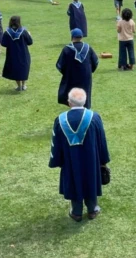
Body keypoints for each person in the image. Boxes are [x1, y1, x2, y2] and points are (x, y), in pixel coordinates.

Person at [49, 88, 110, 222]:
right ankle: (92, 209)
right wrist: (103, 159)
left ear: (69, 102)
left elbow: (56, 143)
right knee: (90, 178)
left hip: (70, 159)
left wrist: (57, 160)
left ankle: (76, 211)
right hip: (91, 159)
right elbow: (102, 140)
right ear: (85, 101)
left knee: (73, 179)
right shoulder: (94, 117)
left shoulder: (60, 120)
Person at [56, 28, 99, 109]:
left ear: (72, 37)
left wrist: (66, 73)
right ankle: (85, 108)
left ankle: (73, 107)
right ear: (82, 37)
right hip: (85, 76)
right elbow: (95, 62)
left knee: (72, 93)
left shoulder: (67, 49)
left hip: (71, 76)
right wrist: (90, 71)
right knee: (85, 92)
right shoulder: (88, 48)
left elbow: (60, 66)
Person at [1, 16, 33, 91]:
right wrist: (29, 35)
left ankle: (19, 86)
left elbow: (3, 44)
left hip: (12, 54)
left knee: (15, 69)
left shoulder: (7, 32)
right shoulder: (23, 32)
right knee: (23, 68)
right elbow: (30, 42)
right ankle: (24, 85)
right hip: (23, 54)